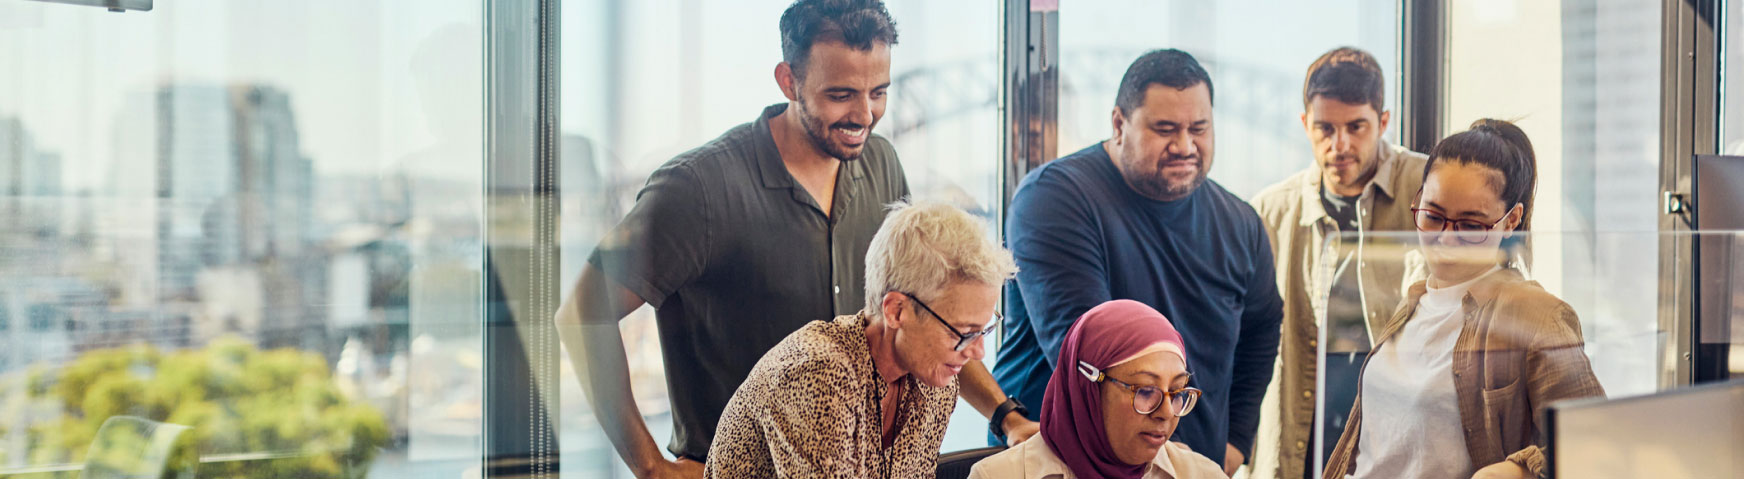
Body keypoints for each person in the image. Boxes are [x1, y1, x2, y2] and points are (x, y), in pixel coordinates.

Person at [551, 1, 907, 476]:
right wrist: (650, 466)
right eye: (841, 94)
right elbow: (582, 312)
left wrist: (1004, 416)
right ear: (788, 81)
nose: (865, 114)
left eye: (878, 92)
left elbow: (924, 311)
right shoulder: (695, 188)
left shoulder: (882, 163)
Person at [977, 48, 1284, 475]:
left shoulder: (1240, 222)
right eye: (1165, 129)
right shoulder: (1054, 199)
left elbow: (1263, 327)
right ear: (1119, 124)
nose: (1185, 145)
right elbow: (1092, 355)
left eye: (1199, 128)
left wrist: (1233, 444)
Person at [1321, 119, 1606, 479]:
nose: (1445, 238)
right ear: (1417, 201)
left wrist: (1518, 471)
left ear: (1511, 220)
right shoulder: (1414, 302)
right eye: (1433, 216)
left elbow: (1596, 442)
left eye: (1471, 226)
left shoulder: (1537, 317)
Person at [703, 201, 1017, 478]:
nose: (977, 351)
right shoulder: (819, 374)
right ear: (896, 311)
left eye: (984, 330)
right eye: (962, 333)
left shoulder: (935, 382)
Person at [1249, 47, 1429, 479]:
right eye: (1324, 128)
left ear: (1383, 122)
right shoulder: (1270, 213)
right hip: (1304, 429)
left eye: (1356, 127)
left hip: (1399, 426)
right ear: (1304, 124)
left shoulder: (1427, 188)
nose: (1340, 144)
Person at [969, 300, 1226, 479]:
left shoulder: (1202, 475)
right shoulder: (999, 476)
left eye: (1178, 392)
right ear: (1087, 390)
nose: (1167, 413)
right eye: (1146, 391)